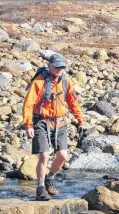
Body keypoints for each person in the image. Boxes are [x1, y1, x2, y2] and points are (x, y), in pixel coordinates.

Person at [23, 53, 86, 201]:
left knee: (62, 156)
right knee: (44, 155)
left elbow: (73, 102)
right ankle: (40, 188)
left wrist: (80, 120)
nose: (59, 69)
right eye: (56, 66)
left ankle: (50, 178)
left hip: (60, 122)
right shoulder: (39, 82)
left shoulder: (65, 81)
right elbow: (28, 104)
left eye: (62, 67)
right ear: (49, 66)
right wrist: (28, 125)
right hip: (41, 122)